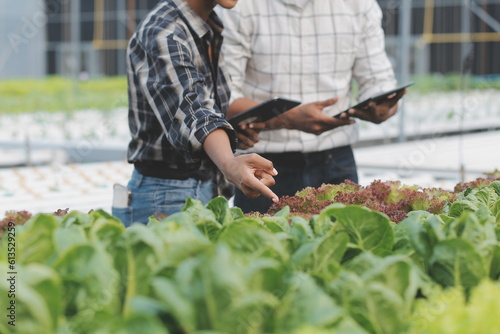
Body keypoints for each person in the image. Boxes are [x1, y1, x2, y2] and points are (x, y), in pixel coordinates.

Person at [216, 0, 405, 213]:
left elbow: (378, 81)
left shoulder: (359, 5)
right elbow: (222, 98)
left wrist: (382, 106)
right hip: (263, 167)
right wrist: (288, 118)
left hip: (336, 161)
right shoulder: (240, 6)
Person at [112, 0, 279, 226]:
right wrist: (230, 163)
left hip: (198, 189)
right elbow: (193, 110)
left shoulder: (206, 25)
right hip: (166, 198)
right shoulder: (164, 32)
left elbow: (203, 104)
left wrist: (230, 132)